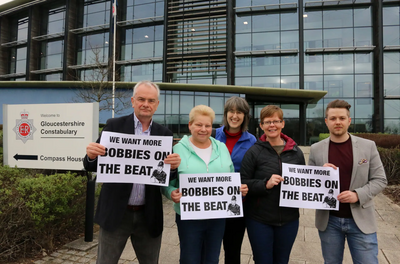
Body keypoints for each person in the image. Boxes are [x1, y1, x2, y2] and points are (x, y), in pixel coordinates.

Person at [83, 81, 181, 264]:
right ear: (132, 101)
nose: (146, 104)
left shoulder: (164, 134)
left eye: (151, 100)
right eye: (141, 99)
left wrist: (173, 169)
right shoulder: (114, 126)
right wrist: (91, 156)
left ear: (157, 104)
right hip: (116, 214)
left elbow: (164, 177)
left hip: (148, 215)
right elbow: (91, 166)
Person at [162, 105, 248, 264]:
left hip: (217, 216)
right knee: (190, 258)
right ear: (190, 125)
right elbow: (167, 182)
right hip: (189, 217)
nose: (203, 129)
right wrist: (171, 192)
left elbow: (230, 176)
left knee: (212, 258)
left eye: (207, 125)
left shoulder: (221, 148)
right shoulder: (176, 149)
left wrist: (238, 188)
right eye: (199, 125)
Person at [308, 99, 387, 264]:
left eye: (342, 118)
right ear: (326, 122)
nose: (338, 122)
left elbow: (380, 179)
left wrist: (358, 195)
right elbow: (311, 184)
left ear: (349, 121)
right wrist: (320, 173)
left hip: (361, 221)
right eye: (333, 118)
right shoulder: (316, 149)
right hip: (329, 222)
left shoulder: (368, 146)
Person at [240, 105, 305, 264]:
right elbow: (243, 183)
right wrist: (265, 184)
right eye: (267, 122)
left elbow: (305, 181)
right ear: (261, 126)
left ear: (283, 124)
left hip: (289, 220)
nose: (272, 125)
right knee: (263, 261)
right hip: (259, 219)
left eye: (276, 121)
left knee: (282, 260)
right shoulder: (254, 152)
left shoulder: (296, 152)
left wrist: (324, 174)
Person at [215, 96, 256, 264]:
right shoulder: (212, 135)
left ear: (245, 116)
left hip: (237, 204)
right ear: (225, 114)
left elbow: (254, 171)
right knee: (209, 249)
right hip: (212, 201)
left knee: (232, 251)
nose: (235, 116)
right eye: (231, 111)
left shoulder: (252, 140)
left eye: (239, 112)